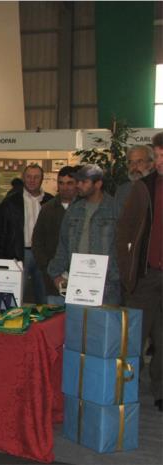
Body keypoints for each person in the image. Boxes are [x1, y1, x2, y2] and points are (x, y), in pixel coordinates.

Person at [116, 132, 163, 411]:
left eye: (162, 156)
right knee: (134, 338)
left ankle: (160, 391)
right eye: (157, 156)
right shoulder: (144, 188)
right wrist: (128, 271)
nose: (159, 161)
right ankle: (127, 388)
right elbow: (124, 230)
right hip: (146, 277)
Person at [48, 164, 120, 305]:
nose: (79, 185)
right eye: (78, 181)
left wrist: (117, 275)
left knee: (104, 319)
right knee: (78, 319)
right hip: (77, 281)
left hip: (107, 284)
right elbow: (63, 245)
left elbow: (123, 247)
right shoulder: (74, 210)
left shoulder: (115, 208)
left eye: (84, 182)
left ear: (98, 184)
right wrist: (56, 274)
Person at [0, 164, 53, 304]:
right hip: (19, 254)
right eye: (29, 176)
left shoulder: (51, 201)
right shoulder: (11, 202)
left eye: (36, 177)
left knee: (45, 297)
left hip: (44, 256)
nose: (32, 180)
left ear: (42, 179)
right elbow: (2, 231)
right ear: (23, 178)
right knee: (16, 297)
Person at [32, 165, 79, 300]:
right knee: (55, 311)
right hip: (53, 278)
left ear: (77, 184)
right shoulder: (47, 209)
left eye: (69, 183)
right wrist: (49, 270)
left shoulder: (84, 208)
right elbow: (37, 241)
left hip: (80, 274)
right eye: (61, 183)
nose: (65, 187)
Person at [115, 145, 156, 212]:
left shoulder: (158, 189)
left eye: (139, 161)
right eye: (130, 162)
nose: (134, 166)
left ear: (150, 165)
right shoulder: (122, 190)